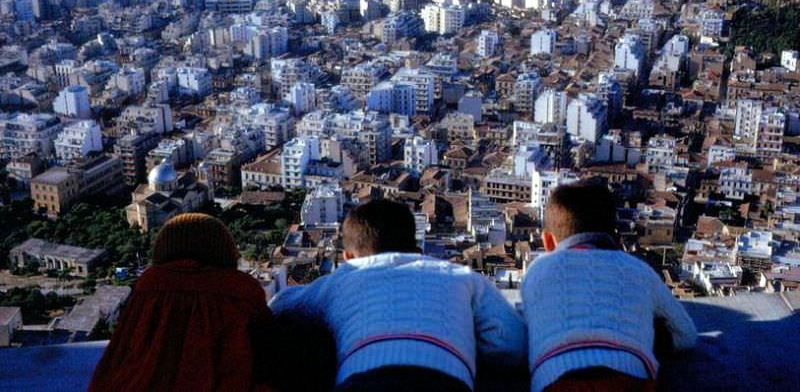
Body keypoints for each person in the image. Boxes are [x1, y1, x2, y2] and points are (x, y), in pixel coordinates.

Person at [269, 198, 527, 392]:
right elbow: (511, 342)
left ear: (347, 258)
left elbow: (280, 305)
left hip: (363, 379)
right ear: (418, 250)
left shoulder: (339, 280)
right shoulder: (461, 276)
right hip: (444, 379)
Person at [521, 181, 697, 392]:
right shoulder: (638, 269)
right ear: (616, 235)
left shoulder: (537, 271)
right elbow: (686, 335)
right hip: (629, 380)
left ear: (547, 241)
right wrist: (643, 334)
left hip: (557, 381)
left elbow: (521, 334)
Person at [89, 213, 272, 392]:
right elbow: (266, 352)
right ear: (224, 247)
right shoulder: (241, 287)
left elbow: (123, 346)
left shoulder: (150, 284)